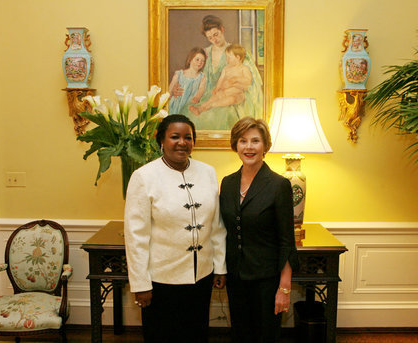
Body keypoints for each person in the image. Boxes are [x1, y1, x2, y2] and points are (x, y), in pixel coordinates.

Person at [123, 114, 227, 343]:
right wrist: (140, 284)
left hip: (201, 277)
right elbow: (135, 236)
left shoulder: (208, 172)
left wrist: (219, 266)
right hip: (161, 281)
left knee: (196, 335)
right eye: (175, 137)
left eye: (188, 137)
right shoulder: (143, 177)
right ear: (161, 140)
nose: (182, 142)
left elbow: (216, 224)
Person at [219, 117, 297, 342]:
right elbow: (224, 230)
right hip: (236, 277)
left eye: (255, 141)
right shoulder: (227, 183)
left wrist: (284, 288)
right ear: (236, 145)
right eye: (243, 141)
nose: (249, 147)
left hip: (267, 279)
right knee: (240, 334)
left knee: (265, 336)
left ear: (265, 146)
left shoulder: (278, 185)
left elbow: (286, 241)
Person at [173, 15, 263, 130]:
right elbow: (192, 74)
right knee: (186, 111)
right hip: (207, 96)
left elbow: (251, 82)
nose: (214, 40)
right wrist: (179, 86)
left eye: (216, 35)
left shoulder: (236, 51)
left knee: (221, 115)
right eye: (210, 38)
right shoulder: (204, 53)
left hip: (230, 98)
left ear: (222, 29)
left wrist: (234, 84)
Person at [190, 44, 252, 116]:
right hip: (224, 91)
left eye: (229, 57)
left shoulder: (243, 68)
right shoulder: (226, 68)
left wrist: (236, 79)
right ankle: (200, 109)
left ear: (238, 58)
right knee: (213, 98)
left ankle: (212, 105)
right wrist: (217, 88)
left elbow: (248, 80)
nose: (227, 59)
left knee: (231, 99)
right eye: (226, 57)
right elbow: (221, 79)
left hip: (237, 93)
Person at [168, 47, 207, 114]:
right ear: (190, 60)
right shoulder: (179, 74)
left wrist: (197, 97)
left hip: (189, 105)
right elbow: (170, 89)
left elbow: (201, 89)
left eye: (202, 61)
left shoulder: (202, 77)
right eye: (197, 59)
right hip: (176, 104)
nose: (200, 62)